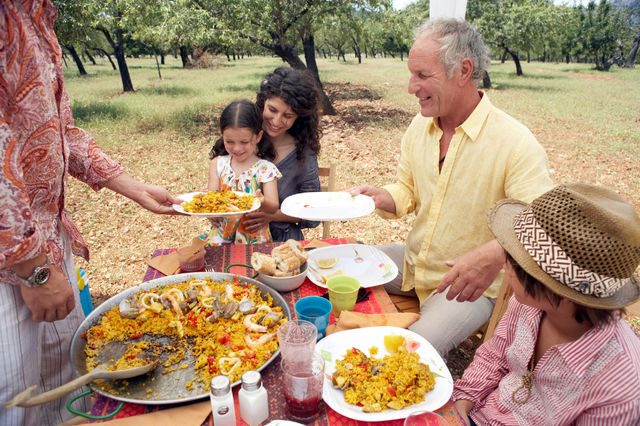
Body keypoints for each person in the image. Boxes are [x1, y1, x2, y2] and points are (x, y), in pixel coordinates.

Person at [0, 1, 184, 425]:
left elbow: (58, 132)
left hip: (48, 243)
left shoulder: (38, 15)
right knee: (15, 401)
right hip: (15, 259)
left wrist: (133, 188)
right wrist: (33, 270)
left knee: (69, 381)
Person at [348, 18, 554, 357]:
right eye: (412, 73)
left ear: (463, 70)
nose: (411, 86)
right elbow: (407, 189)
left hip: (471, 285)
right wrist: (383, 196)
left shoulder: (515, 143)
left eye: (422, 75)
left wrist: (495, 253)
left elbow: (540, 221)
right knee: (343, 260)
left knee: (410, 351)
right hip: (415, 262)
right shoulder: (419, 126)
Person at [452, 183, 640, 425]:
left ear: (559, 291)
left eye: (516, 259)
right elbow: (496, 355)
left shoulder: (620, 388)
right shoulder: (529, 304)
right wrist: (462, 406)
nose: (504, 263)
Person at [241, 67, 323, 242]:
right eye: (272, 110)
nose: (276, 121)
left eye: (287, 115)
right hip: (235, 237)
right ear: (263, 101)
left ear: (298, 118)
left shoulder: (303, 155)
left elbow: (313, 215)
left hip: (283, 240)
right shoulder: (241, 141)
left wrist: (274, 216)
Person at [205, 100, 281, 244]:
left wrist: (262, 201)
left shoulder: (265, 169)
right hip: (221, 237)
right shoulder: (218, 164)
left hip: (253, 238)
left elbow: (273, 206)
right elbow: (213, 198)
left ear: (258, 136)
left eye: (244, 142)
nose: (237, 148)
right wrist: (208, 206)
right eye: (230, 142)